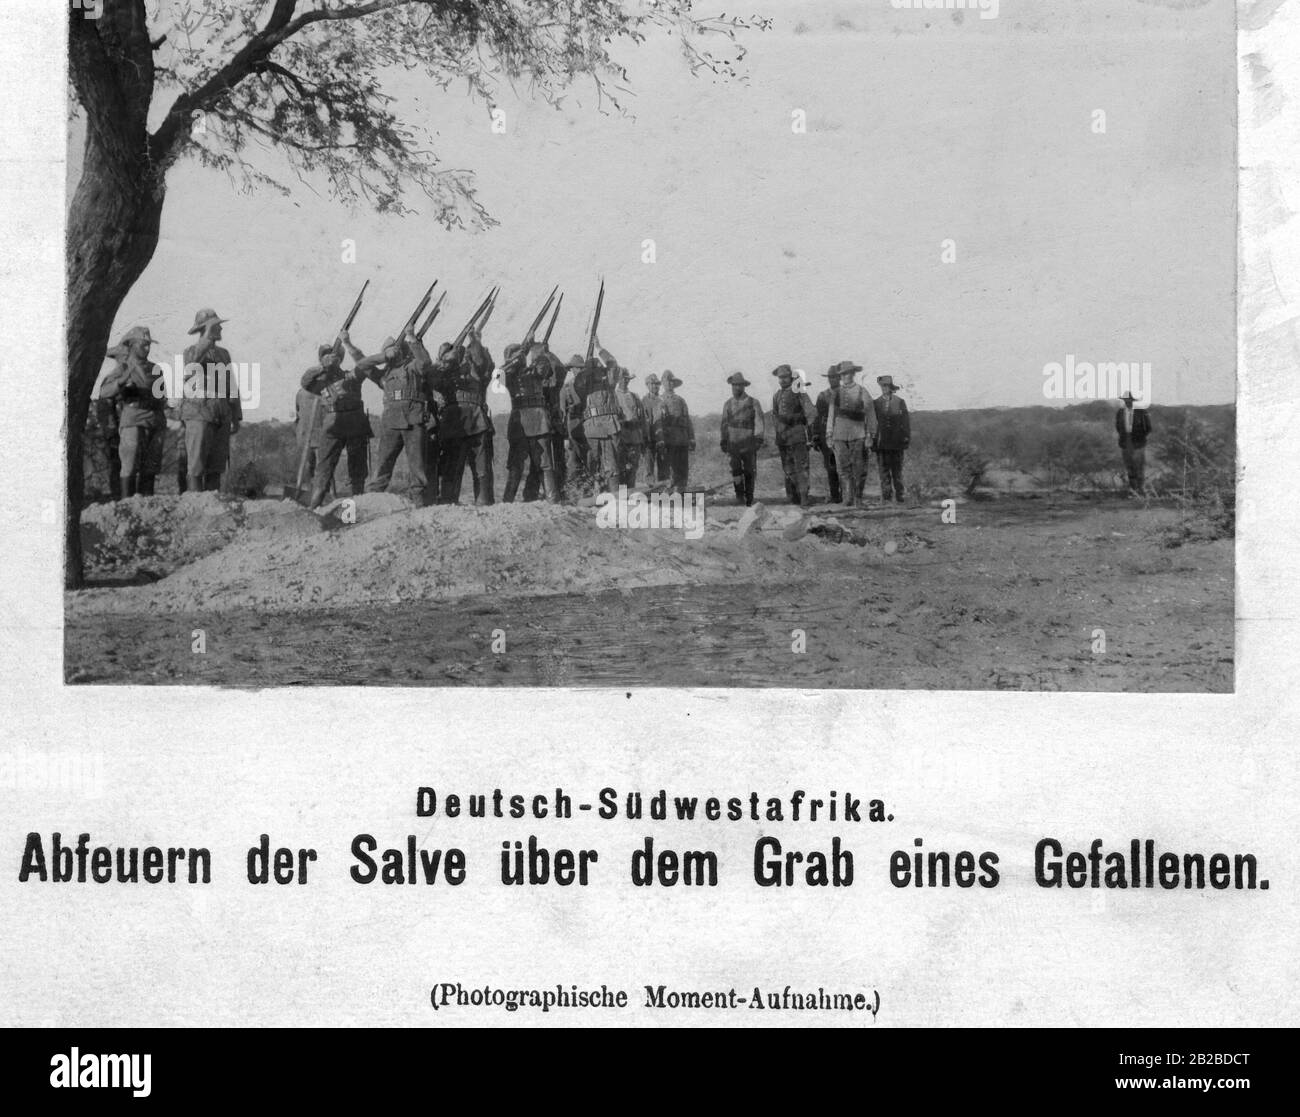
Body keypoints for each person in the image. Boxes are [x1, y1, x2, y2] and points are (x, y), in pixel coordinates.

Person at [358, 330, 437, 505]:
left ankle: (419, 502)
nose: (396, 353)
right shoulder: (384, 374)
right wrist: (383, 357)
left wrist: (412, 340)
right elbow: (362, 365)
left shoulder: (413, 366)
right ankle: (371, 501)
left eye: (398, 350)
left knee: (417, 467)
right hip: (391, 422)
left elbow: (425, 362)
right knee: (382, 465)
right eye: (392, 351)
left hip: (414, 419)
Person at [301, 329, 370, 509]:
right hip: (333, 424)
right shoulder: (320, 382)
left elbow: (365, 364)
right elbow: (305, 382)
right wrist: (322, 367)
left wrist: (348, 343)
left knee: (357, 471)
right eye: (326, 356)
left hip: (356, 422)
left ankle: (358, 508)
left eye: (334, 356)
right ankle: (313, 510)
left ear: (340, 358)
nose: (331, 359)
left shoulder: (351, 375)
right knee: (323, 470)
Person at [99, 326, 167, 497]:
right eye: (142, 344)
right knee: (129, 465)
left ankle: (146, 505)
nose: (147, 348)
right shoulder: (123, 368)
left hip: (155, 419)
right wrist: (122, 383)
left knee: (151, 466)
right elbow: (105, 393)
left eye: (148, 345)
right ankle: (127, 505)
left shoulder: (156, 369)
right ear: (132, 345)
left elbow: (162, 396)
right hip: (133, 418)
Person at [180, 308, 242, 492]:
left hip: (221, 413)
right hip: (199, 413)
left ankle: (212, 508)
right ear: (206, 329)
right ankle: (196, 507)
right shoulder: (192, 351)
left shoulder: (224, 354)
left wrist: (236, 415)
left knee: (216, 466)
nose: (220, 330)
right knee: (196, 465)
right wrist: (207, 335)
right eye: (216, 326)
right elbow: (191, 366)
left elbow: (231, 384)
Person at [432, 328, 495, 505]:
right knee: (452, 466)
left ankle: (485, 503)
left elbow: (483, 362)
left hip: (477, 420)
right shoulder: (443, 372)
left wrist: (474, 340)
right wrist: (445, 363)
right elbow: (433, 380)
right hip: (454, 421)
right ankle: (448, 503)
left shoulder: (477, 369)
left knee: (482, 468)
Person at [501, 341, 561, 503]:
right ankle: (507, 501)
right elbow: (499, 374)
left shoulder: (535, 370)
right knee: (515, 466)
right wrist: (518, 357)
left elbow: (546, 367)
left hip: (538, 420)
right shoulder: (507, 374)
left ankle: (553, 500)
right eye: (515, 354)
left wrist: (538, 352)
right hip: (519, 423)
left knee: (545, 463)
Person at [770, 364, 817, 507]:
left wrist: (810, 433)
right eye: (780, 378)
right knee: (787, 468)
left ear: (790, 377)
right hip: (783, 438)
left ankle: (803, 497)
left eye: (785, 377)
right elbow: (774, 416)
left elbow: (811, 413)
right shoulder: (776, 395)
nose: (782, 380)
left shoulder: (799, 392)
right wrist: (779, 431)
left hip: (797, 435)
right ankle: (792, 497)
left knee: (801, 467)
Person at [826, 360, 872, 508]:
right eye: (843, 374)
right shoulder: (835, 393)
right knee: (842, 468)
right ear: (840, 376)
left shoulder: (862, 391)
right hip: (839, 435)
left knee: (859, 468)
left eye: (849, 373)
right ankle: (848, 498)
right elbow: (831, 415)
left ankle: (858, 498)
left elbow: (870, 415)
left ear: (854, 374)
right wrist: (829, 434)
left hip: (858, 433)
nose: (846, 376)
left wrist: (870, 434)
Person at [580, 344, 624, 494]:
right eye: (594, 371)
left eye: (600, 370)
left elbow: (613, 364)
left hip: (607, 428)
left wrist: (599, 349)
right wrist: (587, 367)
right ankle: (590, 495)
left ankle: (614, 496)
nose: (598, 374)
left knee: (611, 465)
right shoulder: (583, 385)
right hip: (591, 429)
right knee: (591, 463)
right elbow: (579, 379)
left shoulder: (609, 384)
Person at [720, 372, 765, 507]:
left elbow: (759, 421)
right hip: (733, 442)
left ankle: (749, 496)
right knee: (735, 470)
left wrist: (759, 438)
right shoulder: (727, 404)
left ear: (744, 386)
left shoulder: (753, 402)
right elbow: (724, 424)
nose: (736, 388)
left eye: (739, 385)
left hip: (748, 441)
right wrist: (723, 440)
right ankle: (739, 495)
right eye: (734, 385)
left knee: (750, 470)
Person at [872, 374, 911, 503]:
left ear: (891, 387)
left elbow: (905, 422)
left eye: (887, 386)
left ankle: (900, 496)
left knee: (897, 471)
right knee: (883, 471)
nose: (884, 388)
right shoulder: (876, 403)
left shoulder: (900, 402)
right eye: (882, 386)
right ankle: (887, 497)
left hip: (896, 442)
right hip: (882, 443)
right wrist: (873, 441)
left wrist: (905, 438)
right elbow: (873, 423)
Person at [94, 345, 126, 500]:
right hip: (117, 429)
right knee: (117, 464)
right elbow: (104, 407)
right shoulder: (114, 378)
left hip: (129, 426)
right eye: (125, 357)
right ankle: (118, 497)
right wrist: (111, 430)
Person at [658, 372, 694, 492]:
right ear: (663, 383)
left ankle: (682, 494)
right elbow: (658, 422)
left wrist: (691, 438)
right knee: (668, 469)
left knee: (683, 468)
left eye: (671, 381)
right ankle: (668, 496)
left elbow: (688, 420)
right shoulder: (660, 400)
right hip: (668, 440)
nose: (669, 384)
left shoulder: (681, 400)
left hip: (682, 439)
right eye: (667, 381)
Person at [813, 364, 842, 504]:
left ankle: (848, 494)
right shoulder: (822, 396)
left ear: (840, 377)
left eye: (835, 377)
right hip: (827, 434)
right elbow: (816, 417)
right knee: (830, 466)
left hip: (844, 432)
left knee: (845, 465)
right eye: (830, 377)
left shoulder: (847, 394)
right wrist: (816, 436)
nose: (832, 379)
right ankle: (835, 495)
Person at [559, 355, 589, 490]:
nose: (580, 371)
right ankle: (571, 490)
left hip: (589, 426)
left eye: (582, 368)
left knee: (590, 458)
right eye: (577, 368)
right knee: (573, 460)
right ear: (572, 369)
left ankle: (588, 488)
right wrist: (566, 437)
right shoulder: (565, 389)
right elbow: (562, 415)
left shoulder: (590, 387)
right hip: (573, 427)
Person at [1115, 390, 1151, 496]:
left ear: (1132, 400)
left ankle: (1141, 490)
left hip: (1138, 442)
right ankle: (1133, 490)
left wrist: (1140, 436)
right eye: (1126, 400)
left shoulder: (1141, 412)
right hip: (1125, 442)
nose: (1128, 402)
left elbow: (1148, 428)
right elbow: (1118, 427)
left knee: (1139, 467)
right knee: (1129, 467)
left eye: (1129, 400)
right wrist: (1125, 436)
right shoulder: (1120, 412)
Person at [614, 367, 645, 487]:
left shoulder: (635, 396)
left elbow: (642, 418)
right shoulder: (613, 396)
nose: (625, 381)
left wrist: (643, 436)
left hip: (635, 436)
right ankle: (623, 496)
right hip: (622, 436)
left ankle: (631, 493)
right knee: (621, 466)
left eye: (627, 379)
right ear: (618, 380)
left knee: (633, 467)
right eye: (623, 379)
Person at [642, 373, 667, 483]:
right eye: (652, 384)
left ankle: (664, 492)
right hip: (650, 439)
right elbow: (644, 421)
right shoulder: (643, 401)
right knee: (649, 468)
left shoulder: (663, 400)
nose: (655, 386)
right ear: (647, 385)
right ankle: (650, 491)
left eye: (657, 384)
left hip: (663, 439)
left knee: (664, 467)